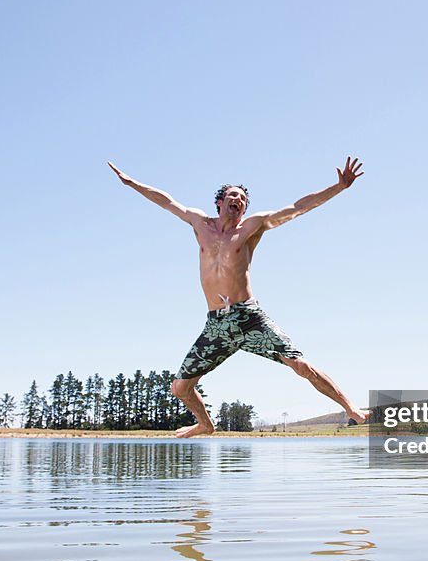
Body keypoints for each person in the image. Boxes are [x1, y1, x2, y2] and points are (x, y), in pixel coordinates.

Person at [108, 157, 371, 438]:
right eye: (234, 195)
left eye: (244, 198)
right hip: (216, 325)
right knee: (180, 387)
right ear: (220, 202)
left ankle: (351, 408)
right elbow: (166, 201)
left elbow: (297, 208)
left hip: (249, 318)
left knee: (301, 365)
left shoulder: (252, 227)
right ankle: (205, 424)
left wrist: (339, 187)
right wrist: (131, 182)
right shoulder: (199, 223)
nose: (239, 200)